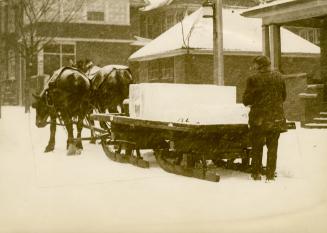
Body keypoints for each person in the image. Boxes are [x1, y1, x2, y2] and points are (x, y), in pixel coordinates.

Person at [243, 55, 287, 181]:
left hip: (259, 119)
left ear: (260, 65)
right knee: (273, 148)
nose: (254, 66)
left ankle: (256, 174)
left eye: (255, 64)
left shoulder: (253, 79)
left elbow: (246, 100)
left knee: (257, 147)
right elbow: (284, 97)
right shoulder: (279, 77)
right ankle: (270, 175)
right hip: (276, 118)